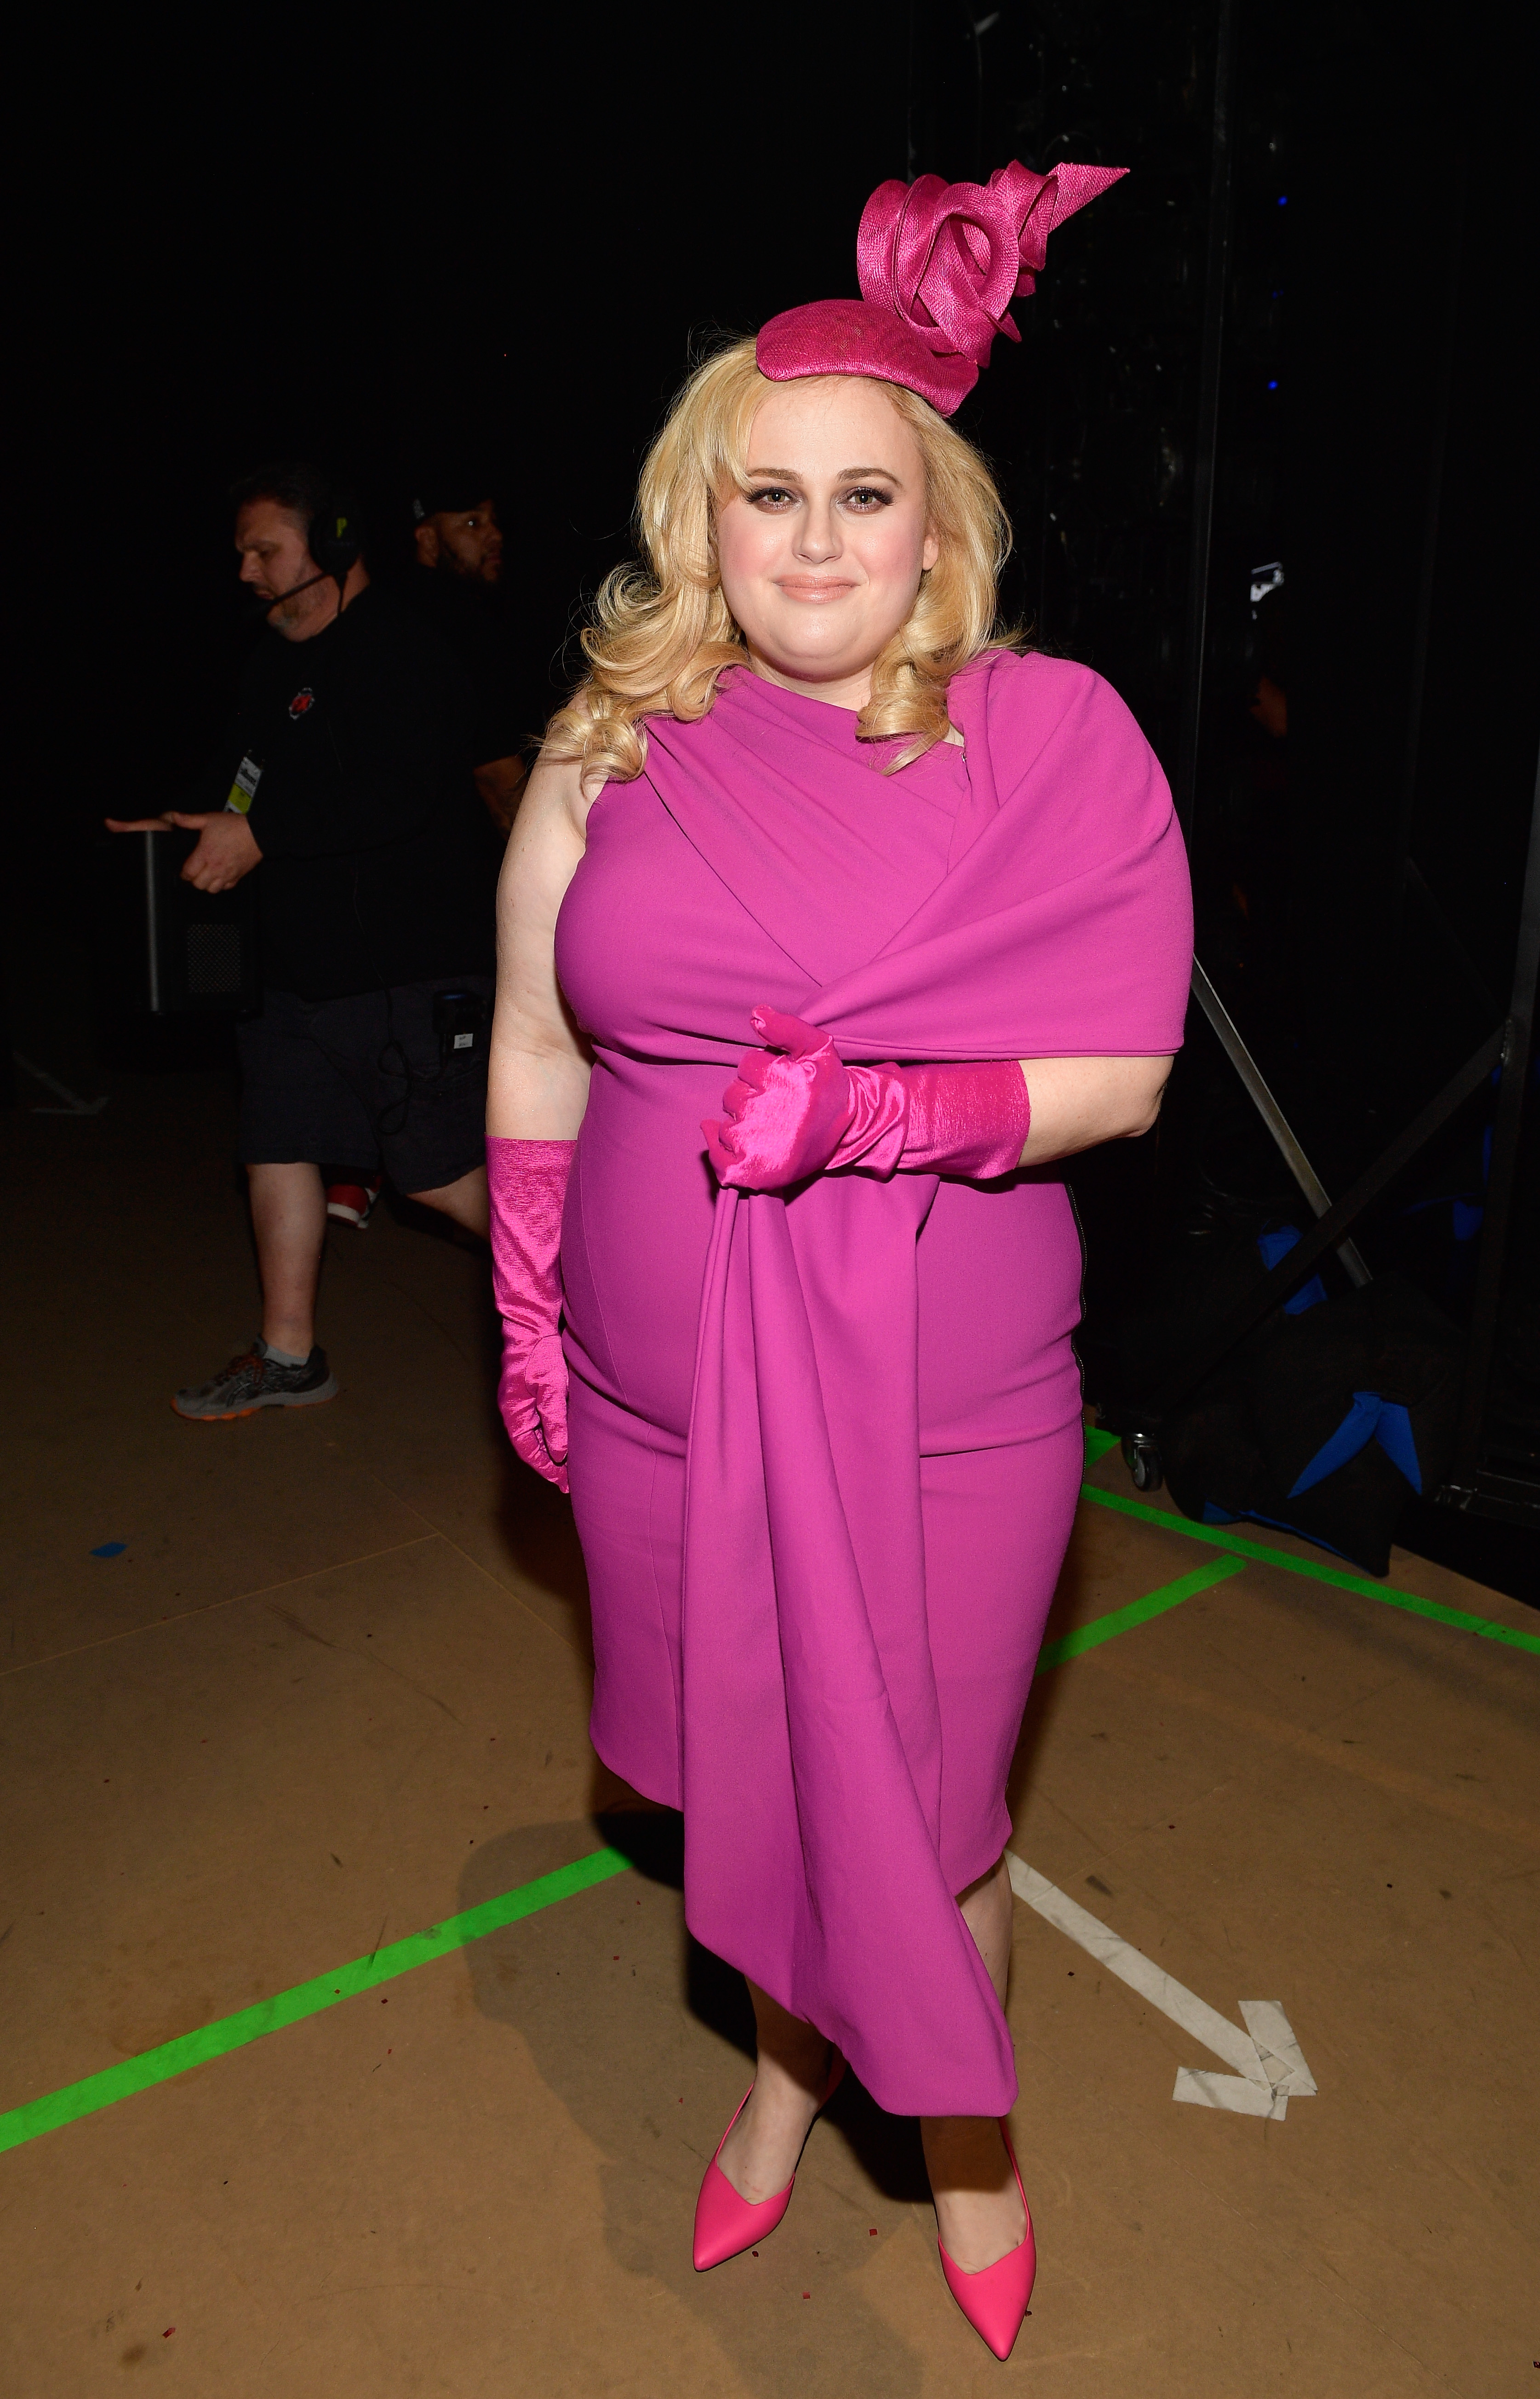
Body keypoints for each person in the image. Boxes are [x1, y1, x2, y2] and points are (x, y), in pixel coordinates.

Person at [487, 162, 1191, 2361]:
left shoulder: (1049, 734)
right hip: (659, 1383)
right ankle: (786, 2080)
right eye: (763, 492)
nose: (811, 541)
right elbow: (531, 1038)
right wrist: (529, 1304)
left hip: (946, 1398)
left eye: (859, 494)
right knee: (754, 1771)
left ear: (935, 518)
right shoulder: (612, 747)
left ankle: (967, 2145)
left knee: (928, 1801)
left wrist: (897, 1111)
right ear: (699, 517)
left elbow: (1125, 1066)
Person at [108, 461, 497, 1421]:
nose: (245, 571)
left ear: (332, 546)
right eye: (241, 552)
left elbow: (396, 794)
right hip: (291, 971)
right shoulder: (272, 663)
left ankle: (607, 1304)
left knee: (440, 1177)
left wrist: (263, 835)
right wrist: (195, 826)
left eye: (263, 550)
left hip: (403, 966)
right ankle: (289, 1355)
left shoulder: (402, 649)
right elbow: (246, 782)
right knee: (276, 1144)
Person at [410, 476, 535, 832]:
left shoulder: (412, 611)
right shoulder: (452, 620)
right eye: (471, 523)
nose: (494, 535)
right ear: (429, 540)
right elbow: (499, 778)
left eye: (492, 520)